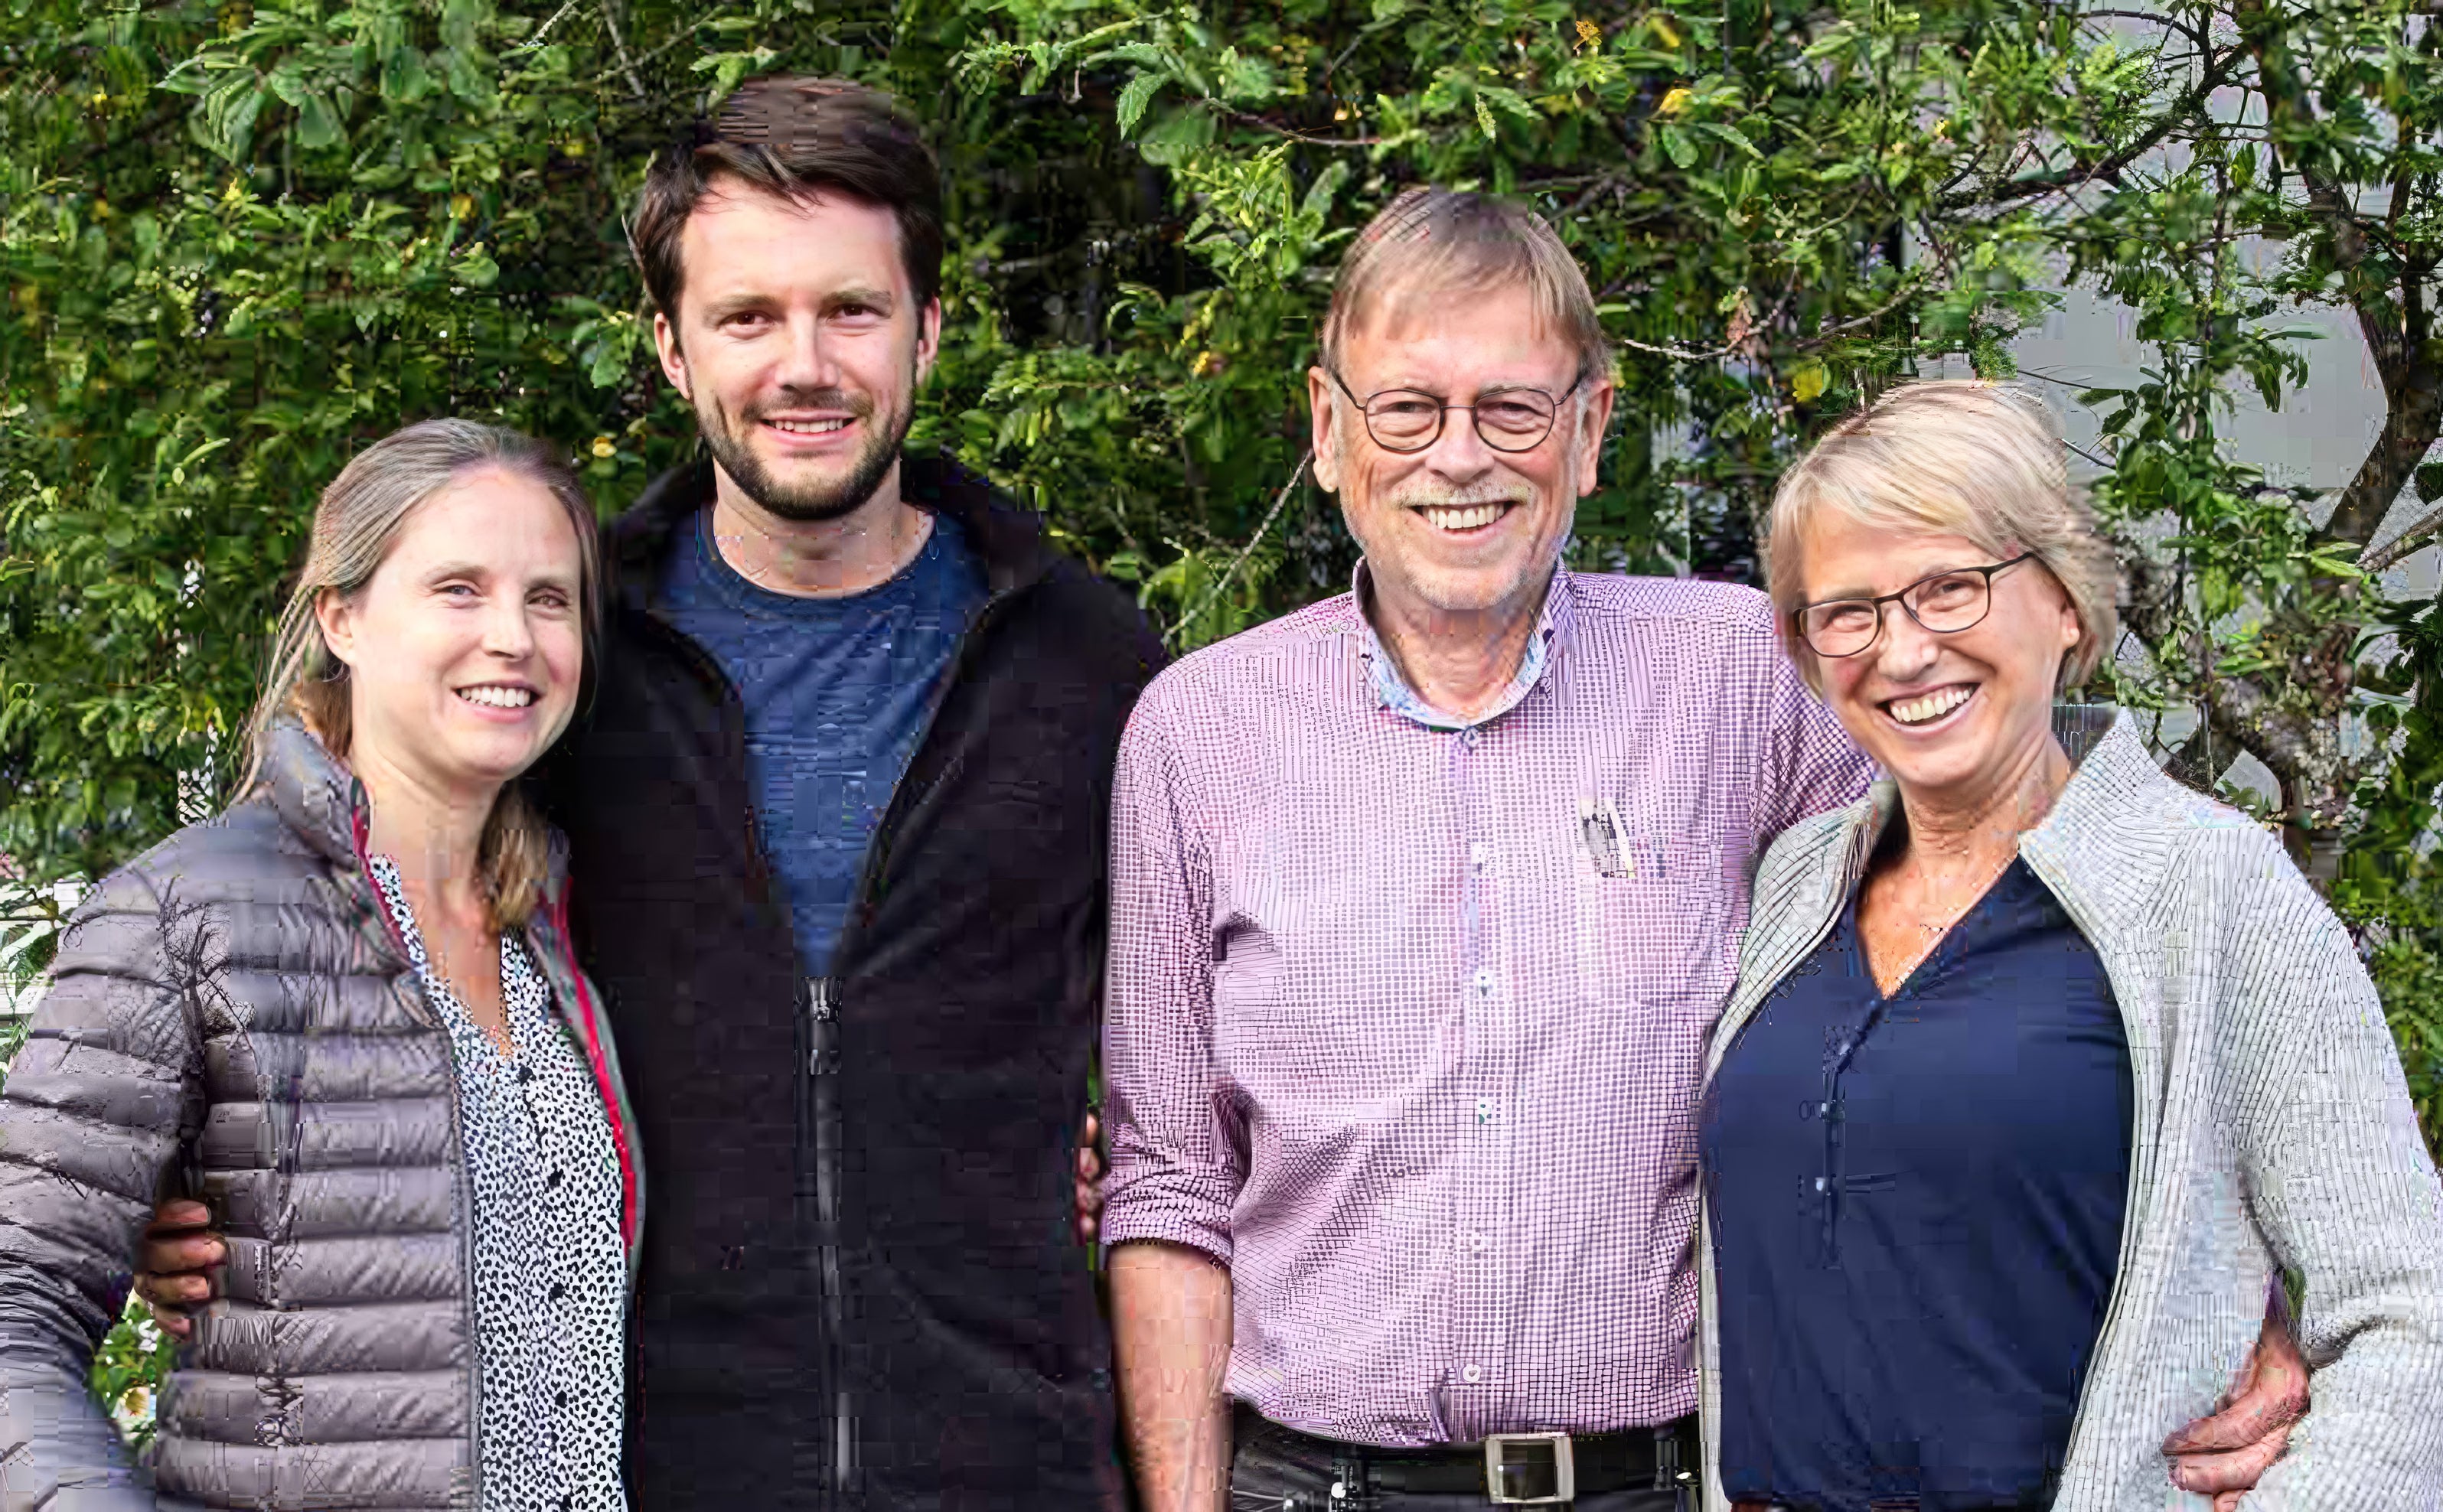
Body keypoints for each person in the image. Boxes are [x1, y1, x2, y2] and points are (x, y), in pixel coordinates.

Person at [1100, 190, 2307, 1512]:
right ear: (1330, 432)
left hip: (1666, 1483)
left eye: (1513, 410)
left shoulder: (1739, 678)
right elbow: (1171, 1189)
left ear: (1590, 431)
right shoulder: (1199, 735)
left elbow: (2011, 952)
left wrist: (2220, 1280)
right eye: (1408, 410)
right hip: (1311, 1486)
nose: (1460, 457)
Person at [137, 77, 1159, 1510]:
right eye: (747, 317)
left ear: (927, 328)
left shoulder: (1088, 662)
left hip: (1014, 1468)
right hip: (650, 1468)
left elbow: (1207, 1050)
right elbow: (348, 915)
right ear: (673, 347)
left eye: (851, 311)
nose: (804, 365)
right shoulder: (568, 661)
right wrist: (210, 1167)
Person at [1696, 380, 2443, 1512]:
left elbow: (2410, 1314)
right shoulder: (1796, 883)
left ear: (2064, 603)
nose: (1903, 651)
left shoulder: (2210, 889)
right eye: (1847, 612)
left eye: (1949, 588)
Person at [0, 420, 636, 1511]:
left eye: (548, 599)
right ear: (342, 618)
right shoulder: (187, 913)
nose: (513, 638)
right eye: (458, 589)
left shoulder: (568, 926)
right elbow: (18, 1309)